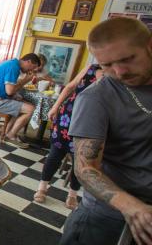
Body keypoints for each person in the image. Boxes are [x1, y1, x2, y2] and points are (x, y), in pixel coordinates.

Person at [19, 18, 152, 245]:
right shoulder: (97, 96)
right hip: (106, 212)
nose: (118, 72)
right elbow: (85, 168)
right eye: (106, 65)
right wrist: (131, 206)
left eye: (127, 60)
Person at [34, 63, 103, 209]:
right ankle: (42, 187)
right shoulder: (91, 68)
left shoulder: (118, 76)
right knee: (55, 153)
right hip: (69, 115)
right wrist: (55, 106)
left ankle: (72, 194)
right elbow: (70, 87)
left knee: (81, 159)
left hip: (93, 121)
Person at [0, 53, 42, 147]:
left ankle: (4, 131)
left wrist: (15, 94)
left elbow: (8, 90)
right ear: (28, 61)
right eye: (32, 67)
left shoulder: (11, 63)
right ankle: (11, 135)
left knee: (22, 103)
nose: (32, 70)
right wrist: (26, 80)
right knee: (31, 109)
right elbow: (10, 91)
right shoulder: (14, 68)